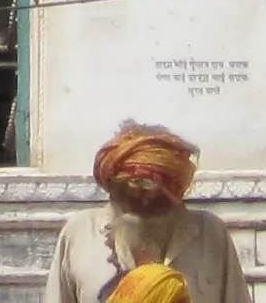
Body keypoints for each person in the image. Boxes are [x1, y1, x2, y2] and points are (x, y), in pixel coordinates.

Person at [44, 125, 249, 303]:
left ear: (176, 191)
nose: (145, 200)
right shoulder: (80, 232)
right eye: (135, 188)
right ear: (113, 186)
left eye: (157, 194)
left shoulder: (210, 233)